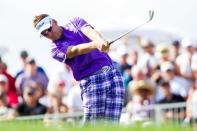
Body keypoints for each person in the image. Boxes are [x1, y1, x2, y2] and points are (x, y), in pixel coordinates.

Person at [33, 14, 125, 123]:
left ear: (55, 22)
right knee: (93, 126)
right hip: (92, 81)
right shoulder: (54, 50)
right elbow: (75, 50)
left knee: (112, 124)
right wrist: (96, 44)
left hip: (113, 74)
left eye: (48, 29)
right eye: (44, 34)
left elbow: (90, 32)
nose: (48, 33)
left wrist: (100, 41)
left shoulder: (75, 22)